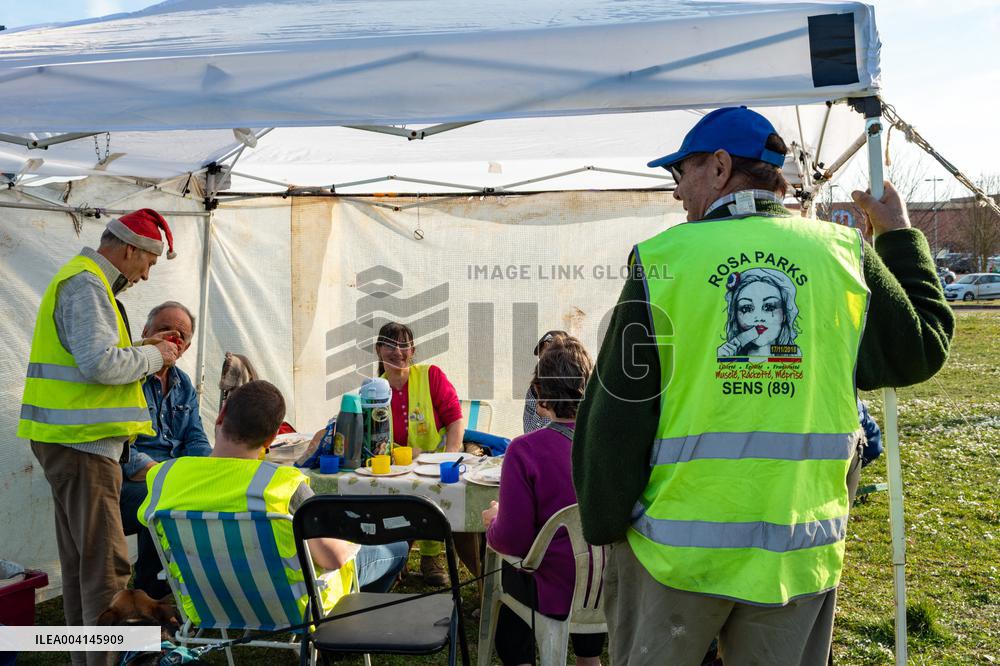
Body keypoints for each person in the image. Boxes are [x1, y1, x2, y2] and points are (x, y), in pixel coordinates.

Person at [572, 106, 954, 664]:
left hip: (673, 556)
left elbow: (618, 413)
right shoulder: (843, 255)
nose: (676, 191)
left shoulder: (662, 261)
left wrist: (603, 520)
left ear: (719, 166)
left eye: (680, 172)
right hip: (796, 553)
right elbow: (922, 347)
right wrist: (897, 235)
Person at [18, 208, 180, 666]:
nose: (146, 275)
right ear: (129, 249)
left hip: (69, 443)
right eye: (148, 262)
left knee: (81, 570)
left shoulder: (81, 280)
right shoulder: (88, 285)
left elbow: (92, 359)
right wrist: (156, 357)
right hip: (84, 447)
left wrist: (146, 349)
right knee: (107, 574)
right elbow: (99, 363)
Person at [137, 381, 409, 622]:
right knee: (396, 548)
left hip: (207, 603)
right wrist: (351, 539)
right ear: (272, 437)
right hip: (293, 608)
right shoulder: (283, 485)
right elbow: (332, 558)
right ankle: (344, 630)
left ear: (220, 416)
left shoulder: (164, 476)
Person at [483, 340, 606, 665]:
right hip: (609, 586)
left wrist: (493, 520)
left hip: (554, 591)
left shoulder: (524, 450)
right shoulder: (611, 443)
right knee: (586, 564)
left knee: (512, 573)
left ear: (540, 390)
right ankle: (589, 658)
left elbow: (512, 540)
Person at [119, 301, 210, 600]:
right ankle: (151, 593)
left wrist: (204, 470)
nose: (173, 338)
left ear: (186, 347)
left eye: (180, 335)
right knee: (159, 499)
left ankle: (200, 586)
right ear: (145, 333)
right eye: (164, 329)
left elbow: (196, 438)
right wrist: (163, 475)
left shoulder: (184, 384)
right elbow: (121, 447)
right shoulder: (128, 377)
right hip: (127, 483)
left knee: (207, 496)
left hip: (173, 478)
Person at [374, 321, 465, 586]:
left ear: (413, 350)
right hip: (394, 466)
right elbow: (371, 435)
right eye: (389, 345)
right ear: (378, 350)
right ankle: (394, 557)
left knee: (432, 497)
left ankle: (430, 558)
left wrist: (449, 456)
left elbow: (455, 419)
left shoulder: (431, 375)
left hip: (435, 464)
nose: (397, 352)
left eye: (404, 345)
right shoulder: (374, 389)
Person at [523, 330, 569, 433]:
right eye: (543, 358)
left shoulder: (579, 388)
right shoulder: (535, 390)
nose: (547, 363)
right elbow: (529, 434)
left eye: (554, 357)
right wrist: (541, 413)